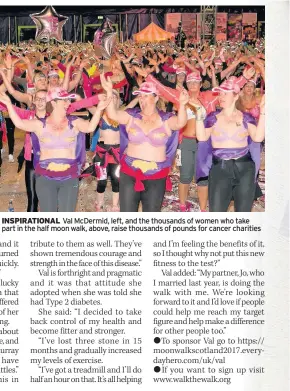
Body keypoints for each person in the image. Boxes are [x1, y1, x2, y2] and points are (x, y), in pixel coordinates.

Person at [0, 87, 111, 212]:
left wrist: (100, 109)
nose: (68, 103)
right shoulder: (39, 124)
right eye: (65, 101)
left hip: (69, 177)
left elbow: (90, 127)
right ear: (53, 103)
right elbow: (20, 124)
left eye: (69, 100)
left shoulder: (74, 123)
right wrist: (9, 104)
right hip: (45, 177)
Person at [100, 74, 189, 212]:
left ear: (156, 97)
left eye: (146, 95)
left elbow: (180, 123)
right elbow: (113, 115)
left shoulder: (165, 119)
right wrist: (109, 91)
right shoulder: (131, 116)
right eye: (140, 96)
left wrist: (182, 105)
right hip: (130, 172)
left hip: (156, 174)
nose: (142, 99)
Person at [195, 76, 265, 212]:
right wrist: (198, 114)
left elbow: (258, 137)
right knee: (216, 211)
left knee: (243, 212)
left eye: (225, 93)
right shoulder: (212, 117)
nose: (221, 96)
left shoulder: (246, 117)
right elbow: (201, 137)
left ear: (236, 96)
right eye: (220, 93)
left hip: (244, 168)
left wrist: (263, 113)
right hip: (219, 168)